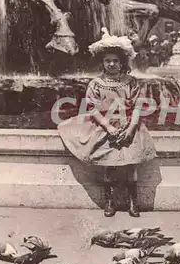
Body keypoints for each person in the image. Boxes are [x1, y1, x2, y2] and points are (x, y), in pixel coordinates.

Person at [58, 28, 156, 218]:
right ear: (102, 63)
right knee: (108, 164)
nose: (112, 64)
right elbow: (92, 109)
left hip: (129, 126)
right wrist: (109, 127)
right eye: (108, 61)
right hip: (105, 126)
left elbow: (137, 107)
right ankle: (109, 202)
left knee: (131, 165)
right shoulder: (96, 83)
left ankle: (133, 201)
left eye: (115, 61)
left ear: (122, 63)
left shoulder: (131, 82)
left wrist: (130, 128)